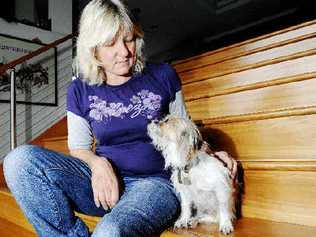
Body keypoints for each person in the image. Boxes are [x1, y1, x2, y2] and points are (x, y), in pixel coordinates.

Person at [3, 0, 237, 236]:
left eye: (129, 39)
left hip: (155, 184)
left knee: (110, 231)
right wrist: (98, 164)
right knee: (18, 162)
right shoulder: (79, 90)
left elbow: (183, 130)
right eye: (110, 43)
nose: (124, 52)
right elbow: (79, 147)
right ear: (93, 50)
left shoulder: (163, 75)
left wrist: (209, 155)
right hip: (103, 185)